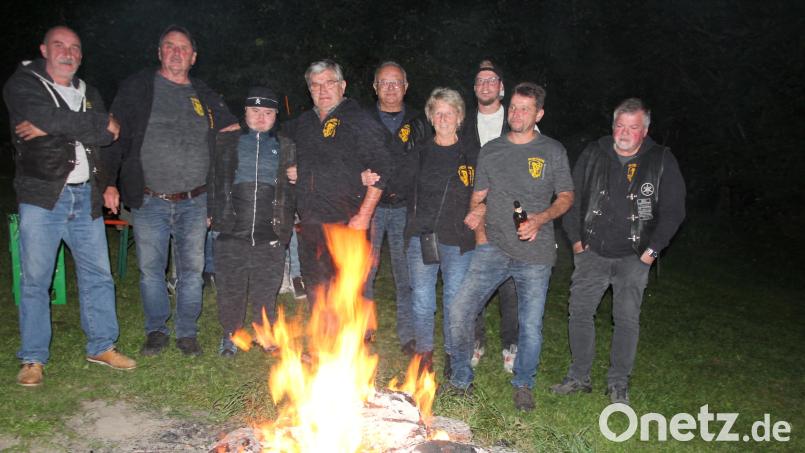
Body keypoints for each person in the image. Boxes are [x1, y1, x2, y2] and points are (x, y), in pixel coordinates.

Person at [3, 25, 136, 386]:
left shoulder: (88, 91)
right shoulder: (24, 84)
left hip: (86, 194)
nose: (68, 52)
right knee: (35, 280)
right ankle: (32, 358)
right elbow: (84, 124)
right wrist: (89, 124)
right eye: (59, 45)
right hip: (43, 195)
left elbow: (109, 138)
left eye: (75, 47)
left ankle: (102, 345)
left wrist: (107, 181)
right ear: (44, 49)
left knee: (98, 275)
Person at [103, 25, 237, 356]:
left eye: (183, 48)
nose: (176, 52)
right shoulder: (137, 87)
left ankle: (187, 333)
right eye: (169, 46)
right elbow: (114, 134)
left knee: (192, 271)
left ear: (193, 57)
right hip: (150, 198)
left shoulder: (204, 93)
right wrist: (108, 181)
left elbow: (232, 128)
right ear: (159, 52)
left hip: (196, 199)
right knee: (151, 269)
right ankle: (156, 330)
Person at [447, 83, 574, 412]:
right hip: (493, 248)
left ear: (539, 114)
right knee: (460, 311)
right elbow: (478, 199)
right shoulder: (491, 150)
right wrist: (481, 237)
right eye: (513, 108)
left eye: (525, 109)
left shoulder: (552, 150)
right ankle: (460, 379)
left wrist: (541, 218)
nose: (516, 114)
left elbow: (566, 196)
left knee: (530, 325)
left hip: (536, 253)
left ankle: (523, 383)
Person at [551, 98, 686, 405]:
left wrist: (650, 252)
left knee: (626, 319)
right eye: (620, 126)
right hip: (592, 252)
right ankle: (578, 376)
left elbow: (674, 211)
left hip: (634, 257)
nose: (625, 133)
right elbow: (571, 197)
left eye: (633, 127)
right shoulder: (594, 153)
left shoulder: (662, 159)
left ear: (645, 129)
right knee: (580, 313)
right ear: (613, 126)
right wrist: (575, 242)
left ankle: (618, 384)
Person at [287, 59, 390, 303]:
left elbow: (383, 167)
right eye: (315, 85)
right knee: (316, 288)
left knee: (349, 290)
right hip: (311, 223)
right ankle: (322, 340)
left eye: (329, 83)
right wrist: (290, 166)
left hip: (347, 221)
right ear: (309, 90)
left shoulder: (359, 120)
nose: (322, 90)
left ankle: (353, 341)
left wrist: (364, 215)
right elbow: (274, 140)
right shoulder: (303, 123)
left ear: (342, 86)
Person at [209, 87, 296, 356]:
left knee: (266, 285)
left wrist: (297, 176)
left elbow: (296, 185)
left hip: (270, 227)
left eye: (267, 112)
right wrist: (211, 211)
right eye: (255, 111)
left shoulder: (286, 145)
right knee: (231, 285)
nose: (261, 117)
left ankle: (264, 331)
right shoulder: (225, 141)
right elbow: (211, 177)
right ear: (245, 112)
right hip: (231, 225)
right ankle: (231, 334)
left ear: (275, 115)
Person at [404, 87, 477, 376]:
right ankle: (424, 357)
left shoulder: (473, 153)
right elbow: (395, 182)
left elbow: (488, 189)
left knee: (455, 304)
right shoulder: (419, 152)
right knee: (422, 302)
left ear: (459, 117)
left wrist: (481, 208)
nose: (444, 118)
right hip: (422, 237)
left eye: (450, 112)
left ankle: (453, 356)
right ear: (430, 117)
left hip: (458, 240)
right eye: (438, 113)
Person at [365, 61, 431, 355]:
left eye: (396, 82)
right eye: (384, 82)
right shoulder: (362, 119)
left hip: (406, 208)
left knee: (406, 275)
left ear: (406, 86)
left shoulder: (420, 121)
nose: (390, 88)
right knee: (364, 270)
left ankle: (409, 336)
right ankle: (362, 328)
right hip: (371, 207)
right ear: (375, 87)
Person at [460, 59, 520, 373]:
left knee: (510, 286)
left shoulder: (519, 123)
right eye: (480, 80)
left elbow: (528, 176)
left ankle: (512, 347)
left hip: (509, 218)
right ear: (474, 89)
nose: (486, 85)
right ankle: (475, 342)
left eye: (492, 80)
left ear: (501, 87)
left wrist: (489, 204)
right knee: (474, 282)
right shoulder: (462, 123)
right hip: (470, 218)